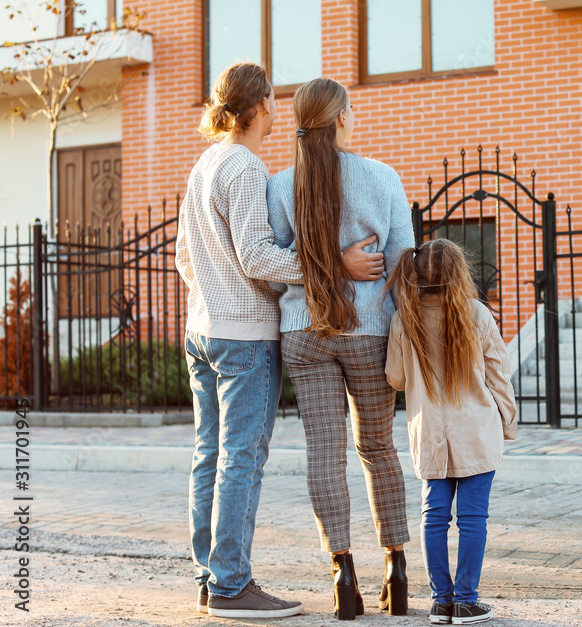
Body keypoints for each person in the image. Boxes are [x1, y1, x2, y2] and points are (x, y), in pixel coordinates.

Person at [176, 62, 381, 619]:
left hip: (202, 331)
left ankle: (210, 576)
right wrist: (333, 265)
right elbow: (258, 257)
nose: (274, 108)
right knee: (241, 458)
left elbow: (183, 259)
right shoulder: (244, 166)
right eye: (271, 99)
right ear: (260, 105)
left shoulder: (204, 164)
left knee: (209, 456)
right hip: (242, 338)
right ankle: (232, 586)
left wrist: (214, 297)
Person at [266, 77, 414, 621]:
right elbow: (403, 264)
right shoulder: (382, 178)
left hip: (305, 333)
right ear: (344, 118)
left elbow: (278, 263)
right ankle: (397, 570)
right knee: (378, 449)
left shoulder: (281, 186)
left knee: (324, 453)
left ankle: (342, 574)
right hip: (368, 331)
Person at [384, 239, 518, 626]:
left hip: (429, 434)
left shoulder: (402, 320)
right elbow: (499, 376)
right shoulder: (476, 314)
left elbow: (395, 378)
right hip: (476, 431)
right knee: (474, 517)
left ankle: (441, 603)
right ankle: (466, 601)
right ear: (458, 273)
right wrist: (508, 423)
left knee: (433, 515)